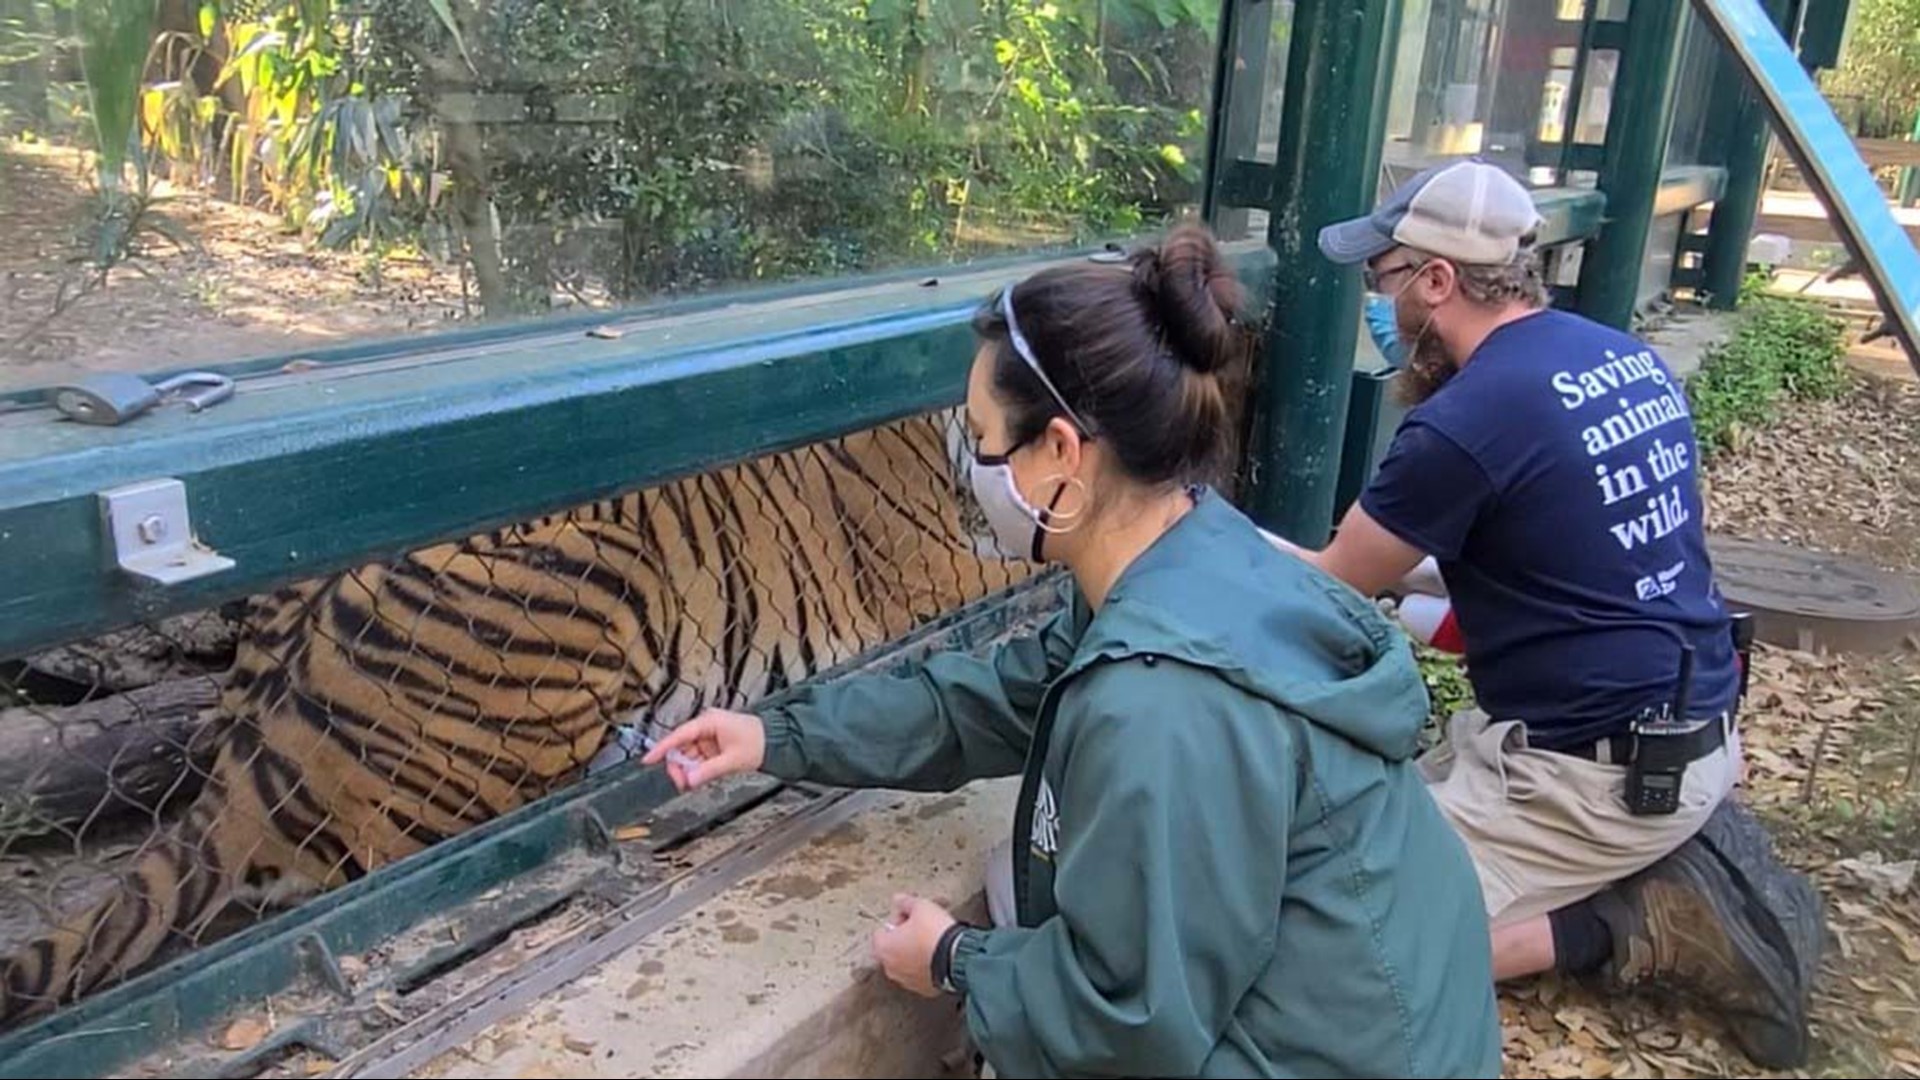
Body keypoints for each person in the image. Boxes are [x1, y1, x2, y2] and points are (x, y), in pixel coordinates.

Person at [646, 224, 1502, 1078]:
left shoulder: (1159, 704)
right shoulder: (1199, 552)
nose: (972, 463)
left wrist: (956, 961)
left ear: (1060, 451)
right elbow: (989, 698)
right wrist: (773, 737)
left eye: (983, 438)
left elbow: (1132, 1022)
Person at [1268, 158, 1823, 1069]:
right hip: (1687, 730)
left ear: (1437, 281)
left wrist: (1210, 539)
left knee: (1329, 952)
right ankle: (1631, 860)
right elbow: (1545, 576)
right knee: (1360, 843)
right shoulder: (1617, 356)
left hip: (1593, 783)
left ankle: (1634, 916)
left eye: (1385, 282)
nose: (1383, 311)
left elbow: (1331, 585)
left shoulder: (1465, 420)